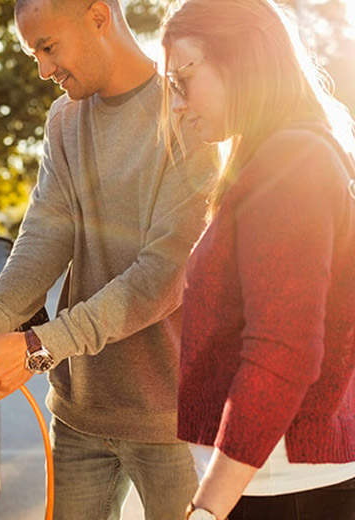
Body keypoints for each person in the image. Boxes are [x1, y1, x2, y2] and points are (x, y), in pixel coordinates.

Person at [0, 0, 215, 518]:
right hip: (79, 417)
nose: (45, 69)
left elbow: (163, 277)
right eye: (34, 56)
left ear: (98, 15)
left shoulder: (189, 112)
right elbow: (44, 238)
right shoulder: (64, 119)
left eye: (48, 48)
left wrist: (36, 348)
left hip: (175, 421)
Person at [160, 0, 355, 519]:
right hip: (273, 480)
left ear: (242, 60)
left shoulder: (292, 160)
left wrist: (207, 509)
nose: (177, 104)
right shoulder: (288, 154)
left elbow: (284, 350)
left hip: (283, 488)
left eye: (183, 78)